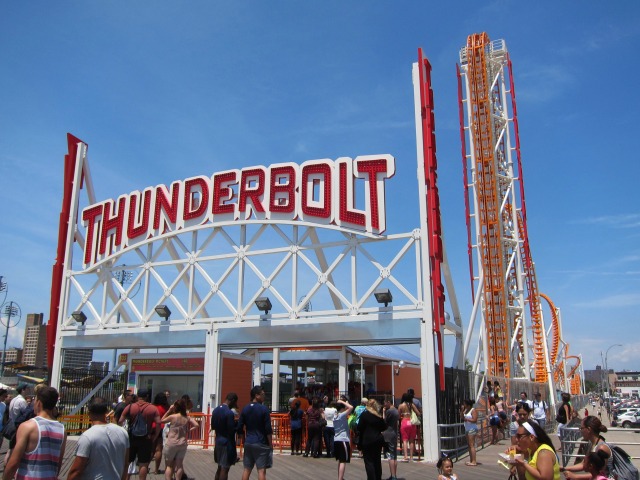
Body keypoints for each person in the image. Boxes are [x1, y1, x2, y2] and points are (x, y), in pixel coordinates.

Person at [3, 386, 66, 480]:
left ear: (39, 403)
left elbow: (14, 462)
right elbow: (58, 463)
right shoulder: (62, 430)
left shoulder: (28, 426)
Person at [67, 396, 129, 480]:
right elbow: (125, 463)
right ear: (106, 412)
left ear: (89, 414)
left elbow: (76, 471)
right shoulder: (123, 432)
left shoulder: (88, 436)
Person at [119, 388, 161, 480]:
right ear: (147, 396)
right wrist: (155, 436)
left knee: (128, 462)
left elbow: (120, 421)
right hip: (146, 438)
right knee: (143, 464)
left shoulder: (130, 407)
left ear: (137, 396)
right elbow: (158, 423)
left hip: (131, 438)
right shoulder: (152, 408)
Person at [237, 385, 273, 480]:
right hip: (261, 442)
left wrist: (242, 437)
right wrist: (270, 444)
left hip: (249, 442)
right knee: (261, 470)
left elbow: (240, 425)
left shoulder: (245, 408)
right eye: (263, 394)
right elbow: (268, 429)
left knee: (247, 469)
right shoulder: (264, 409)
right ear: (256, 395)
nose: (264, 396)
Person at [161, 398, 199, 480]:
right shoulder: (186, 417)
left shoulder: (173, 417)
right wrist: (188, 430)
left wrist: (169, 410)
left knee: (169, 465)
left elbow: (162, 420)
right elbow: (196, 425)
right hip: (182, 443)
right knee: (179, 465)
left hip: (171, 443)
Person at [211, 392, 239, 480]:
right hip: (226, 443)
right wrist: (237, 425)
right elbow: (231, 430)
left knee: (219, 467)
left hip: (218, 440)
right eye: (235, 403)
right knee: (225, 468)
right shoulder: (229, 413)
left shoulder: (215, 410)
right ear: (232, 401)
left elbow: (213, 426)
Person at [357, 399, 386, 480]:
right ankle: (378, 477)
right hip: (377, 439)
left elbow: (359, 427)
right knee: (377, 460)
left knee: (369, 462)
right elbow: (384, 427)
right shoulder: (378, 415)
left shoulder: (364, 415)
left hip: (367, 440)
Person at [333, 397, 353, 480]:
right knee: (343, 461)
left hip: (336, 439)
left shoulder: (335, 415)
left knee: (340, 460)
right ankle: (340, 478)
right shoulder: (342, 415)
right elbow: (351, 407)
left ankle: (340, 477)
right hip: (343, 439)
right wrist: (343, 402)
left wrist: (342, 403)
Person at [398, 393, 420, 462]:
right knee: (411, 440)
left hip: (404, 422)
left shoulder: (401, 405)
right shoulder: (412, 405)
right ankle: (411, 457)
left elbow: (398, 416)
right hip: (411, 422)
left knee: (405, 440)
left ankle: (405, 456)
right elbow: (418, 413)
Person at [152, 392, 170, 474]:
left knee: (151, 449)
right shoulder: (167, 408)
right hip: (162, 428)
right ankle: (156, 469)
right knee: (159, 449)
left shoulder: (153, 407)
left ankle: (145, 465)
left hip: (152, 427)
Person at [382, 396, 399, 480]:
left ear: (388, 402)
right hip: (394, 433)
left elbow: (384, 421)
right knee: (394, 455)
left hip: (388, 433)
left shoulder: (389, 411)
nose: (384, 404)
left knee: (390, 455)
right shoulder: (396, 410)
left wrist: (383, 412)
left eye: (385, 402)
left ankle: (393, 475)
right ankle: (394, 474)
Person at [461, 399, 478, 466]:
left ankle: (474, 461)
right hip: (467, 428)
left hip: (472, 428)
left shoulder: (473, 410)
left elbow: (474, 419)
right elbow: (462, 417)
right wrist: (462, 411)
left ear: (467, 404)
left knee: (471, 445)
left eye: (464, 404)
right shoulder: (466, 410)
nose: (463, 405)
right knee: (469, 445)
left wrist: (467, 419)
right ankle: (471, 460)